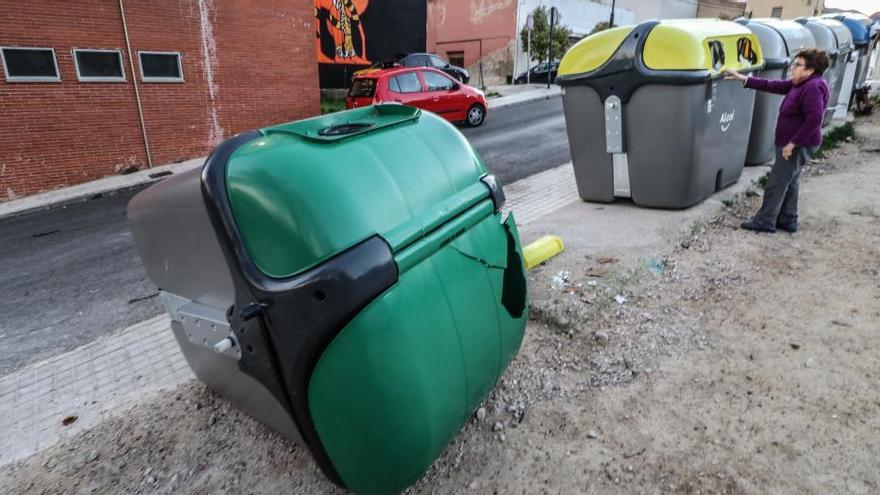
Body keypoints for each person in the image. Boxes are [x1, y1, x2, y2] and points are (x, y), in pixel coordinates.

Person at [723, 49, 830, 233]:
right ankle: (788, 220)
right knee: (791, 180)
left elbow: (814, 119)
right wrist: (743, 78)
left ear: (810, 69)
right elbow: (772, 85)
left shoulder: (812, 87)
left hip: (798, 144)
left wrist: (792, 143)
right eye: (793, 63)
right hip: (797, 142)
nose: (792, 68)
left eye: (797, 65)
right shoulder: (800, 83)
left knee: (777, 182)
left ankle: (765, 221)